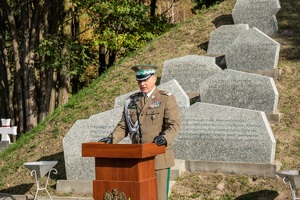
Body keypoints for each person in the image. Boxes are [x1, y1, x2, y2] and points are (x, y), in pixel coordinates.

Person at [99, 64, 181, 200]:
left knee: (158, 197)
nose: (142, 84)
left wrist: (165, 138)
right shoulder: (132, 101)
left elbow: (174, 125)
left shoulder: (166, 98)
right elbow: (123, 126)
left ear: (154, 79)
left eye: (145, 80)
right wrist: (111, 139)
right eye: (139, 80)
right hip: (137, 160)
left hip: (158, 159)